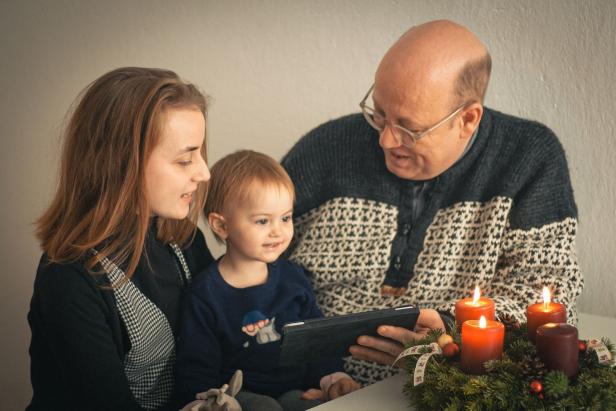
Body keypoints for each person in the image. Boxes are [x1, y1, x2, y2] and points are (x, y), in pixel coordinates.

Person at [282, 19, 583, 385]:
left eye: (409, 129)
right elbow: (251, 262)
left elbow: (547, 291)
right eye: (378, 114)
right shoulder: (324, 150)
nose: (386, 141)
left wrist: (456, 330)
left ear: (467, 119)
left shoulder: (528, 157)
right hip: (307, 383)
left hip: (448, 390)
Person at [28, 67, 213, 410]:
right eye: (185, 159)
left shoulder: (184, 240)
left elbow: (231, 324)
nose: (204, 172)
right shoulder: (69, 278)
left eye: (199, 155)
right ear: (121, 163)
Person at [175, 150, 360, 411]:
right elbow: (196, 366)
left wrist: (333, 379)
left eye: (285, 218)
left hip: (295, 389)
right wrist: (206, 402)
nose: (278, 231)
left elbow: (317, 340)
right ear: (221, 226)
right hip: (238, 394)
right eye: (262, 221)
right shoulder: (205, 294)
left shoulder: (293, 278)